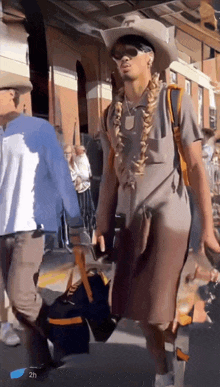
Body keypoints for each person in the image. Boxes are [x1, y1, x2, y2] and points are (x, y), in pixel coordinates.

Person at [93, 15, 220, 387]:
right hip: (133, 220)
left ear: (150, 57)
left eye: (130, 51)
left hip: (171, 217)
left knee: (153, 306)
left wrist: (207, 231)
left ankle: (166, 371)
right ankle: (167, 364)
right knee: (142, 312)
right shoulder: (109, 114)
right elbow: (110, 177)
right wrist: (101, 222)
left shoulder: (175, 100)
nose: (122, 60)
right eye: (117, 54)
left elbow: (196, 167)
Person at [0, 72, 84, 381]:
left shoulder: (38, 129)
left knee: (20, 294)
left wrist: (74, 222)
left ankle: (66, 335)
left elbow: (61, 174)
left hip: (29, 226)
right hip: (1, 228)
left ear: (12, 95)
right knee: (20, 304)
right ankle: (40, 363)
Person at [74, 145, 96, 237]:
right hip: (81, 187)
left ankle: (90, 228)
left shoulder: (84, 158)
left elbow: (88, 170)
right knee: (82, 209)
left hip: (86, 187)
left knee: (90, 210)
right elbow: (79, 173)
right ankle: (83, 229)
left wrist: (88, 177)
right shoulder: (77, 159)